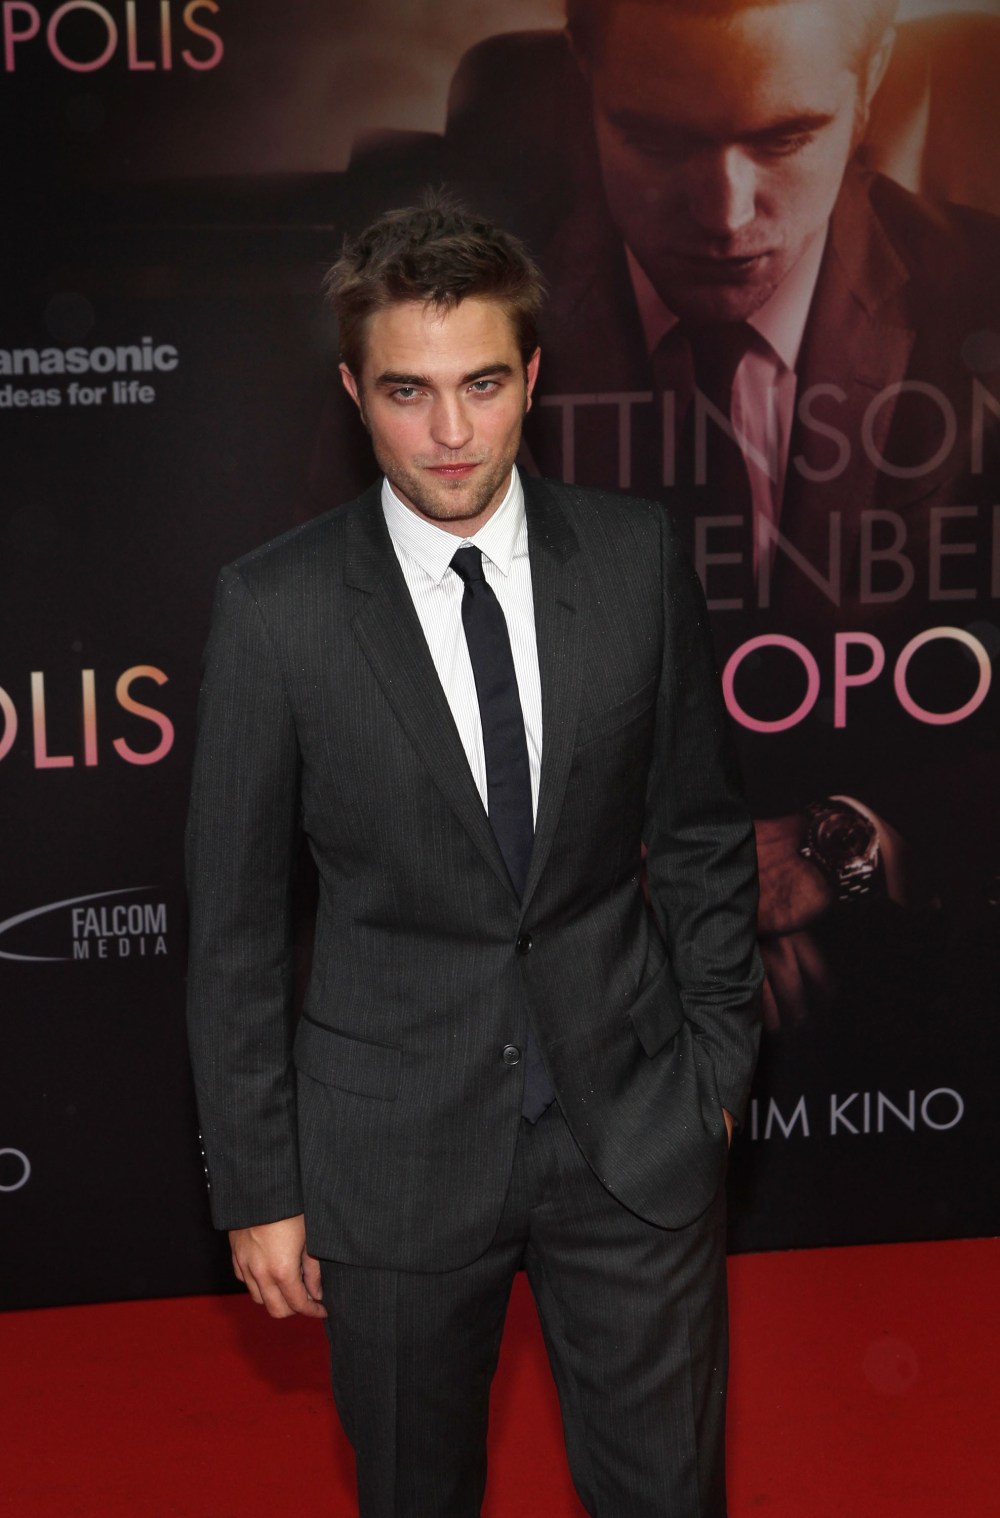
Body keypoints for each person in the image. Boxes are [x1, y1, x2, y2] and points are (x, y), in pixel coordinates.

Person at [186, 199, 762, 1517]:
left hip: (634, 1131)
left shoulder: (633, 558)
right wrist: (260, 1184)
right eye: (409, 390)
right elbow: (233, 928)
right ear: (355, 393)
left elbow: (701, 831)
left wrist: (716, 1070)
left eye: (483, 384)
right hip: (391, 1154)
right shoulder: (275, 611)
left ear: (532, 377)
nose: (450, 430)